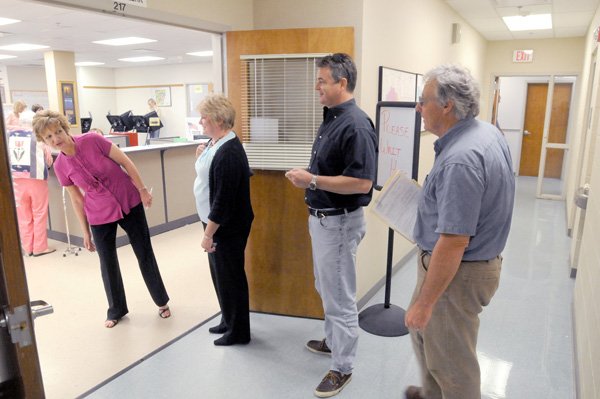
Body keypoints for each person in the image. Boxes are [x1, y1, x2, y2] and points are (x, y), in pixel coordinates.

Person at [404, 64, 515, 399]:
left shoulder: (461, 160)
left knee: (454, 366)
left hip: (457, 273)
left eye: (423, 101)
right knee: (428, 340)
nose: (418, 108)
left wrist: (425, 303)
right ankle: (431, 393)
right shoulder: (485, 132)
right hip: (463, 266)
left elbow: (453, 242)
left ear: (447, 105)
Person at [285, 53, 377, 398]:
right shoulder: (333, 117)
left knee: (339, 295)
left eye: (322, 80)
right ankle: (334, 340)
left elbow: (362, 183)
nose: (316, 86)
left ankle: (343, 367)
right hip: (323, 222)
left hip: (338, 224)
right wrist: (313, 180)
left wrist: (311, 181)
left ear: (342, 82)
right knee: (326, 286)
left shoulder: (356, 124)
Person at [32, 109, 171, 328]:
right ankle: (116, 310)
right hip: (98, 213)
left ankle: (162, 301)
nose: (56, 139)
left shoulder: (93, 140)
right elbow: (77, 200)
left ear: (65, 129)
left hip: (129, 201)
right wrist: (85, 232)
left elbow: (126, 162)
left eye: (58, 132)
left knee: (144, 252)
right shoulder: (60, 166)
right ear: (43, 140)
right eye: (48, 137)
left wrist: (142, 189)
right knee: (107, 262)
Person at [193, 94, 254, 346]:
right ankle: (228, 320)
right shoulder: (215, 142)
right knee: (220, 275)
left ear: (218, 119)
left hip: (226, 226)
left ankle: (239, 331)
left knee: (231, 277)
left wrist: (209, 234)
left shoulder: (228, 151)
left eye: (203, 118)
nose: (200, 122)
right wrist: (200, 155)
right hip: (215, 223)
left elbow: (222, 200)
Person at [8, 111, 54, 257]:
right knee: (39, 213)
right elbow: (48, 161)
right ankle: (39, 247)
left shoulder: (9, 137)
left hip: (15, 181)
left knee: (23, 214)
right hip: (36, 180)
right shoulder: (40, 138)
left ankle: (27, 247)